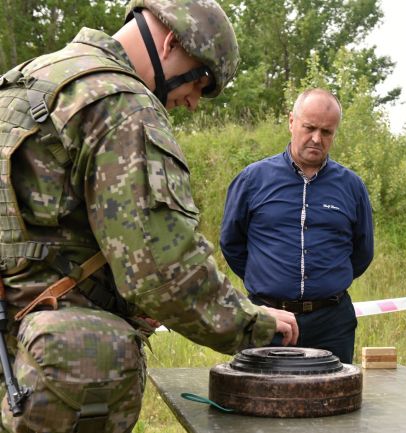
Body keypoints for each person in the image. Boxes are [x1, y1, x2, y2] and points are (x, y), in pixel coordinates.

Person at [0, 0, 298, 431]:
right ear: (171, 42)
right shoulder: (121, 105)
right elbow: (163, 270)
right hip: (57, 377)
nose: (194, 102)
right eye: (200, 80)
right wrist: (254, 323)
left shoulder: (26, 82)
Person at [220, 88, 374, 364]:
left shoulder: (351, 186)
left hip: (331, 322)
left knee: (332, 401)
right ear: (292, 122)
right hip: (267, 318)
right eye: (309, 127)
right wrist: (268, 280)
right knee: (261, 400)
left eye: (327, 132)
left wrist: (325, 284)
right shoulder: (252, 180)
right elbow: (232, 243)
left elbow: (362, 252)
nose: (317, 138)